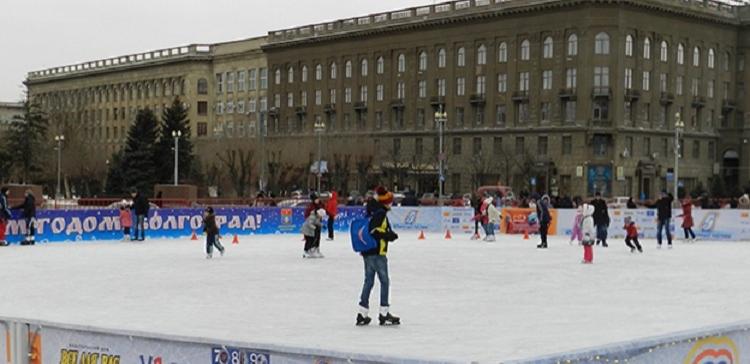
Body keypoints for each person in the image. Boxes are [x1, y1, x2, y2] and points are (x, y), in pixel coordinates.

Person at [357, 186, 400, 326]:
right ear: (385, 202)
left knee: (368, 282)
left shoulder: (371, 210)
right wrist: (389, 236)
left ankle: (362, 314)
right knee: (384, 282)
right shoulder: (380, 213)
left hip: (367, 251)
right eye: (390, 201)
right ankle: (384, 313)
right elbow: (374, 231)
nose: (391, 204)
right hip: (377, 252)